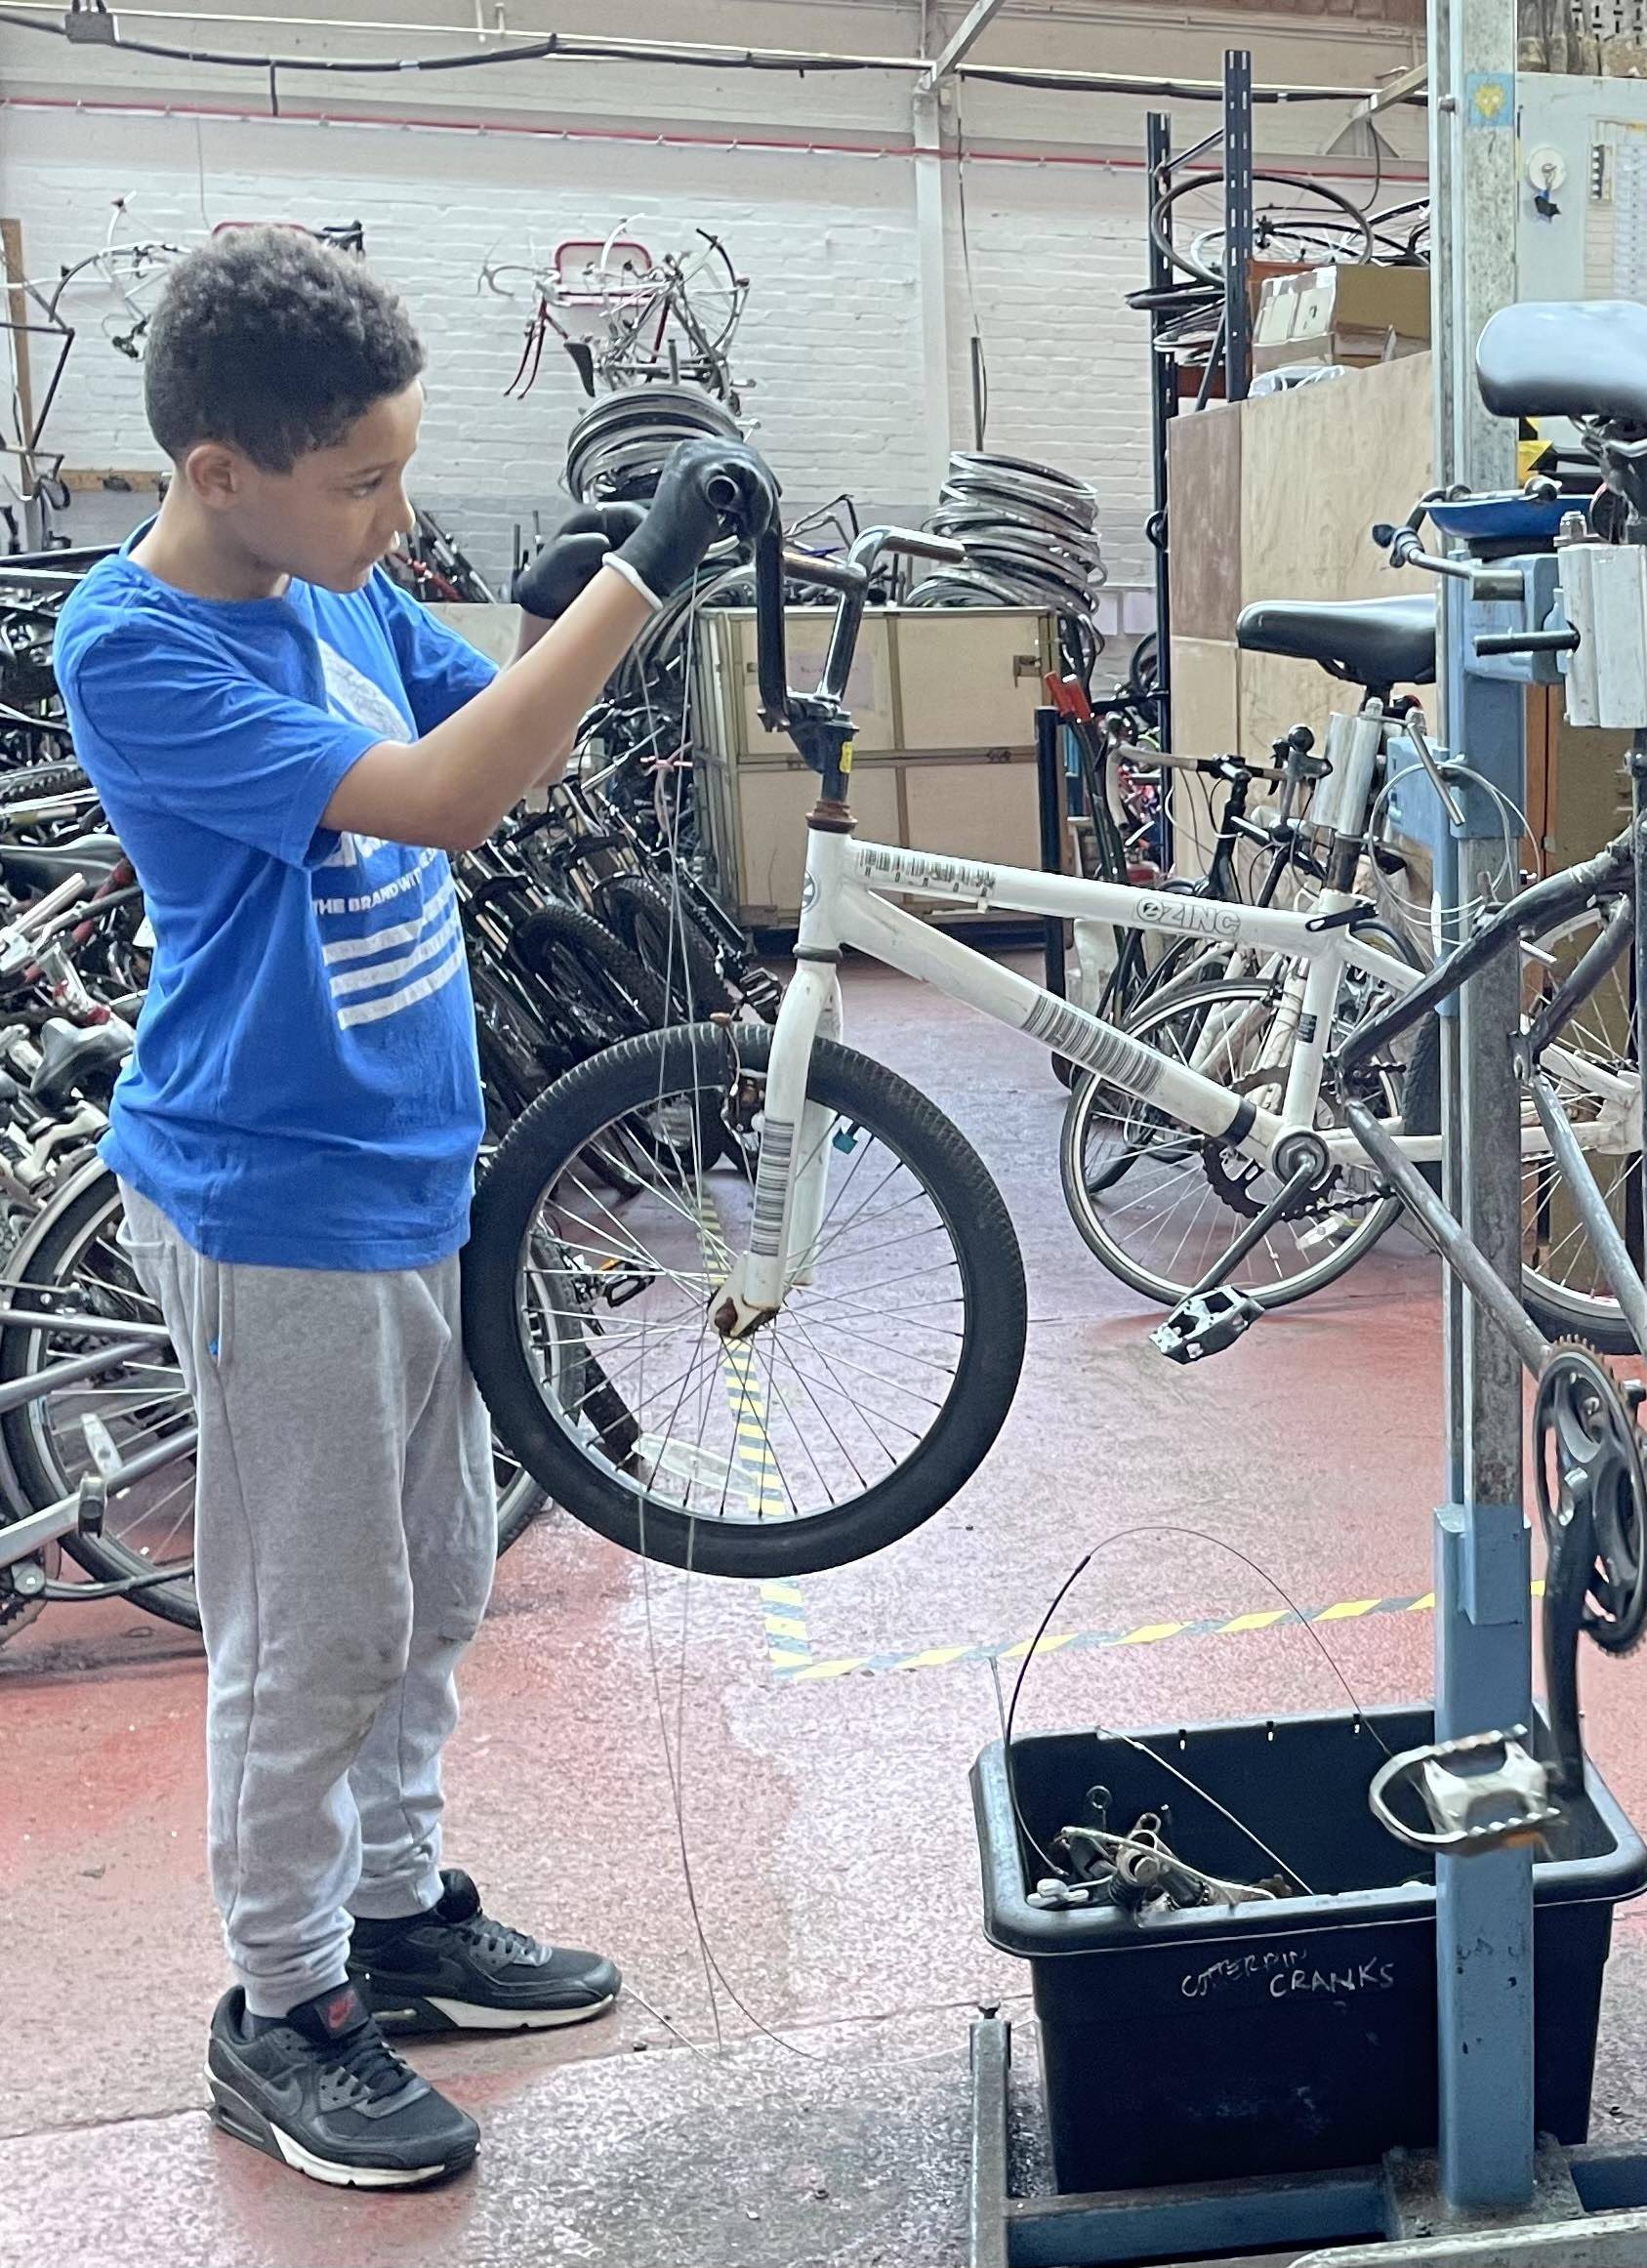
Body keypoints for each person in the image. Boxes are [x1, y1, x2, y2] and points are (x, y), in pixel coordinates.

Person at [53, 227, 772, 2191]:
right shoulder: (144, 649)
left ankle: (394, 1914)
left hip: (415, 1172)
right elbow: (455, 790)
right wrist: (643, 571)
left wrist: (608, 576)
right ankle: (281, 2003)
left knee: (438, 1575)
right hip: (271, 1196)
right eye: (358, 477)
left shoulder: (341, 587)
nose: (396, 508)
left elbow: (513, 702)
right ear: (221, 473)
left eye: (402, 463)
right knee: (311, 1622)